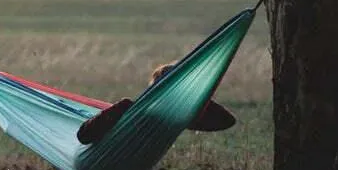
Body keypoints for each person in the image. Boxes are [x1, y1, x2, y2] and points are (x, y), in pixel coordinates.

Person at [76, 61, 236, 144]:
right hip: (106, 156)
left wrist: (198, 97)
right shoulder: (128, 109)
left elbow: (227, 121)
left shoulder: (179, 117)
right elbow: (83, 135)